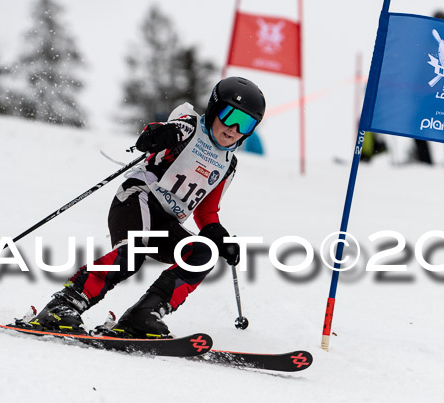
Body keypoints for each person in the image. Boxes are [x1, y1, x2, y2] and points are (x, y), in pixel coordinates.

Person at [22, 76, 266, 338]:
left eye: (246, 123)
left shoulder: (227, 164)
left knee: (201, 254)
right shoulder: (191, 126)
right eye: (230, 116)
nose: (233, 128)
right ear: (215, 109)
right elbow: (162, 129)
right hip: (137, 198)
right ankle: (63, 305)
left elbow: (206, 210)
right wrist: (157, 135)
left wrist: (217, 234)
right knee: (133, 252)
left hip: (166, 221)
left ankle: (144, 315)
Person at [412, 10, 444, 166]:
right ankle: (427, 162)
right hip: (430, 94)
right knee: (419, 125)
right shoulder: (429, 40)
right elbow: (423, 68)